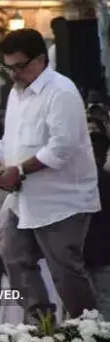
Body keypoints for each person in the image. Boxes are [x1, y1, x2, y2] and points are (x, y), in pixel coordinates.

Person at [0, 28, 100, 322]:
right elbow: (11, 139)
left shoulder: (61, 91)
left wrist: (20, 169)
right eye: (7, 67)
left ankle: (86, 328)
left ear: (40, 60)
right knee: (12, 256)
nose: (13, 74)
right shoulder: (16, 92)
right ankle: (41, 325)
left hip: (62, 201)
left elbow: (61, 148)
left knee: (65, 272)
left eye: (19, 66)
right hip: (23, 199)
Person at [85, 121, 110, 319]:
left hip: (81, 253)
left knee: (79, 305)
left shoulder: (79, 182)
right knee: (105, 301)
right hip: (104, 254)